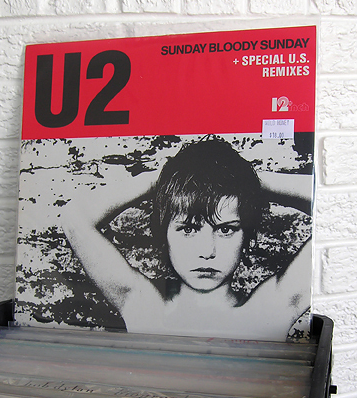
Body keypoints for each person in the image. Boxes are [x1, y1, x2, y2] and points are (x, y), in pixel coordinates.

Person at [61, 137, 312, 340]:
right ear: (164, 236)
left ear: (246, 237)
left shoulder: (271, 310)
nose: (207, 251)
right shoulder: (144, 307)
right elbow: (75, 218)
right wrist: (164, 180)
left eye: (225, 230)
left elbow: (330, 203)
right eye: (189, 229)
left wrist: (250, 182)